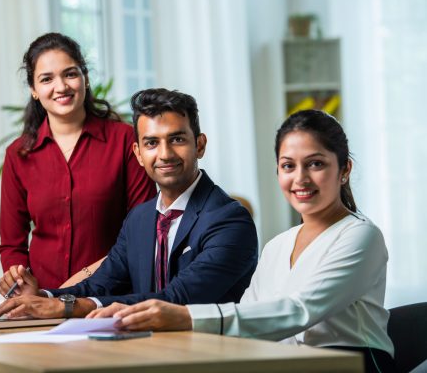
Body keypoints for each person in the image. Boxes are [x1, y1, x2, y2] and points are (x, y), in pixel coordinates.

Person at [108, 110, 395, 373]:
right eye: (288, 166)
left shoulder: (360, 235)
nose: (301, 179)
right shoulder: (277, 246)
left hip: (352, 365)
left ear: (344, 170)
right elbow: (246, 318)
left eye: (316, 164)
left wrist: (185, 316)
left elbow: (300, 309)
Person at [0, 88, 258, 320]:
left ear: (199, 145)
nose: (164, 154)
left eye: (177, 139)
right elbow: (101, 285)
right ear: (138, 154)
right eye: (151, 143)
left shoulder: (230, 220)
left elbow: (174, 299)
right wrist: (42, 296)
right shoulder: (139, 219)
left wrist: (67, 309)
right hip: (143, 354)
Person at [0, 33, 156, 290]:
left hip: (111, 297)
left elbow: (141, 231)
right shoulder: (18, 155)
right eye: (46, 79)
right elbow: (12, 244)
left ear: (86, 78)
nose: (61, 87)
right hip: (40, 301)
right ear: (34, 90)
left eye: (70, 74)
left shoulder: (125, 140)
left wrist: (80, 283)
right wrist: (18, 281)